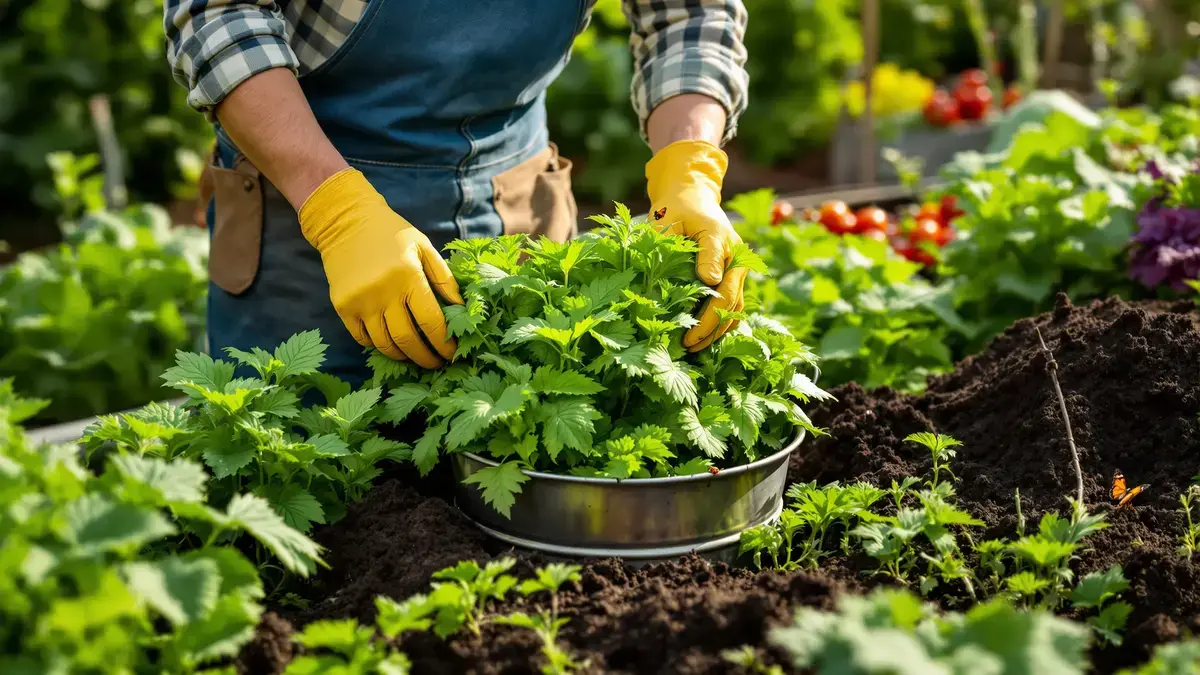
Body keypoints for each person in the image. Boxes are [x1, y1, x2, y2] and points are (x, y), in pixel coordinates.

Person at [167, 0, 751, 385]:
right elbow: (220, 15)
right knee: (301, 493)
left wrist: (689, 170)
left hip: (519, 210)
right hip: (302, 222)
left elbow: (690, 14)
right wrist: (336, 211)